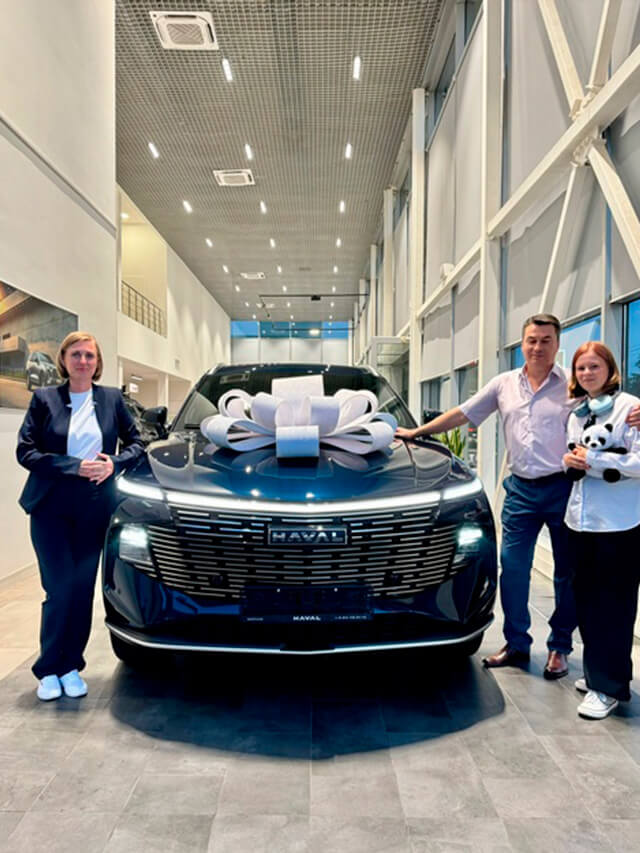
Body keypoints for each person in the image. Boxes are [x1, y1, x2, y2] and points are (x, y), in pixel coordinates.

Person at [397, 314, 640, 678]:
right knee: (512, 568)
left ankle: (559, 646)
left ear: (557, 344)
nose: (538, 347)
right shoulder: (504, 384)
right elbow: (464, 413)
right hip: (520, 491)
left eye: (546, 340)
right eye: (531, 340)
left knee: (567, 573)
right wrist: (417, 433)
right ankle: (516, 642)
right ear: (523, 343)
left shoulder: (572, 386)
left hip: (562, 488)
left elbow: (610, 403)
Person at [16, 332, 144, 701]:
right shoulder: (44, 399)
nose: (83, 361)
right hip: (50, 507)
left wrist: (113, 463)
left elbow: (137, 443)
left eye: (89, 355)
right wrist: (73, 466)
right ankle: (48, 669)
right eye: (76, 354)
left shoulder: (112, 399)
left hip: (95, 506)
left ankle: (71, 666)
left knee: (82, 589)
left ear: (97, 361)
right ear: (64, 359)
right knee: (59, 589)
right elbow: (25, 451)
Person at [563, 342, 640, 718]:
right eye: (581, 368)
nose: (587, 373)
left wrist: (592, 458)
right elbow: (573, 457)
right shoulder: (577, 413)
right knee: (587, 602)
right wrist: (571, 460)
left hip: (618, 524)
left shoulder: (631, 408)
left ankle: (608, 688)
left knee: (613, 606)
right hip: (580, 520)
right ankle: (600, 673)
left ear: (610, 369)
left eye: (594, 366)